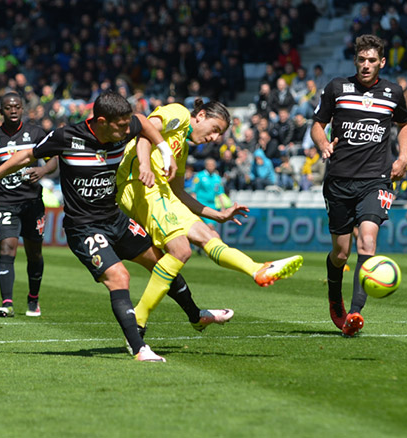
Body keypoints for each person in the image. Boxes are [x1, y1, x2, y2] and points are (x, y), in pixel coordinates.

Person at [0, 91, 178, 362]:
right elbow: (25, 156)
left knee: (162, 262)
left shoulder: (124, 124)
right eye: (121, 126)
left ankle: (197, 314)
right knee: (119, 277)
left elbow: (142, 122)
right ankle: (139, 349)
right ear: (102, 121)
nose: (127, 131)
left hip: (115, 218)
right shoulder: (65, 136)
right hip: (82, 226)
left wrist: (165, 150)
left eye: (127, 126)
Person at [116, 100, 303, 331]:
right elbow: (145, 130)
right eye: (215, 129)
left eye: (220, 135)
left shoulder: (182, 147)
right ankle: (139, 319)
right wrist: (145, 163)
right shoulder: (179, 114)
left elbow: (178, 193)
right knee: (181, 249)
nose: (214, 138)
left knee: (207, 234)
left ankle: (256, 269)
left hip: (160, 191)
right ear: (201, 115)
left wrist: (218, 215)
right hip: (138, 185)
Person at [310, 34, 407, 337]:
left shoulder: (393, 92)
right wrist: (323, 143)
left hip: (376, 179)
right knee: (341, 254)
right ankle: (334, 299)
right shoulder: (337, 88)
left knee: (368, 241)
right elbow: (317, 123)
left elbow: (405, 124)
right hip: (339, 179)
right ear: (355, 60)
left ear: (382, 62)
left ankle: (354, 313)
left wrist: (404, 156)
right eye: (361, 60)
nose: (366, 65)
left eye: (372, 60)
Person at [0, 92, 58, 318]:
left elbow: (53, 160)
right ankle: (6, 302)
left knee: (34, 254)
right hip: (6, 202)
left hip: (33, 202)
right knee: (7, 247)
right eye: (8, 107)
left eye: (17, 106)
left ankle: (33, 298)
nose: (14, 110)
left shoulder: (36, 133)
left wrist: (43, 170)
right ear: (1, 112)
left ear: (23, 109)